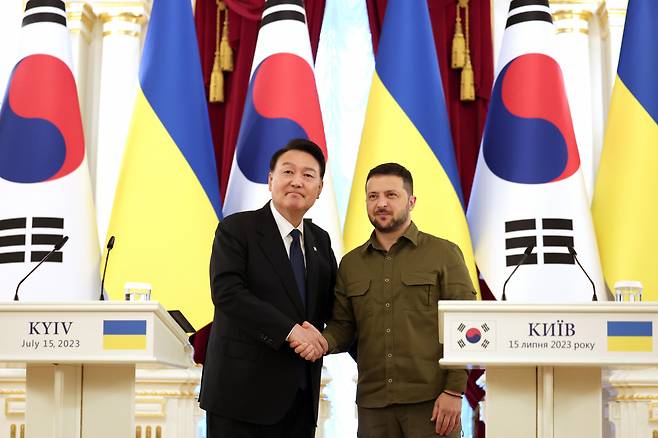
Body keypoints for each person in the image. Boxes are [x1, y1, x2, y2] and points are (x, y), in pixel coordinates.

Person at [295, 163, 476, 437]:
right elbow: (344, 326)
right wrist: (321, 341)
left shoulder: (444, 254)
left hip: (432, 403)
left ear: (411, 201)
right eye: (373, 196)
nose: (381, 203)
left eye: (391, 195)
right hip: (373, 406)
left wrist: (454, 390)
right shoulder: (351, 263)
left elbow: (465, 326)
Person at [199, 139, 337, 438]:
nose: (297, 181)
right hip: (240, 397)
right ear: (270, 179)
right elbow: (228, 293)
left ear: (320, 188)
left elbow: (332, 306)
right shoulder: (237, 229)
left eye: (308, 175)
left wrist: (327, 340)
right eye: (288, 172)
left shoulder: (320, 240)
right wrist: (291, 331)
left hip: (301, 397)